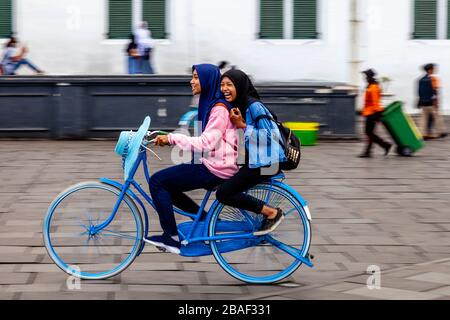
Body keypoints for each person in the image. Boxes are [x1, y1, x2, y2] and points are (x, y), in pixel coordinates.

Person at [146, 64, 238, 254]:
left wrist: (172, 138)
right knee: (169, 185)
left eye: (196, 77)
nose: (192, 81)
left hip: (217, 168)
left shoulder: (219, 109)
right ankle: (205, 221)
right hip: (213, 162)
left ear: (206, 80)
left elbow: (206, 143)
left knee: (157, 181)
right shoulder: (210, 102)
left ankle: (170, 237)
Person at [215, 69, 287, 236]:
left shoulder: (254, 106)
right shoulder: (240, 105)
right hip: (256, 162)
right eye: (222, 85)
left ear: (239, 86)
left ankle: (272, 213)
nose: (224, 88)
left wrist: (242, 125)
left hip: (267, 163)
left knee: (224, 193)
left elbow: (271, 136)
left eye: (229, 84)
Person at [358, 69, 392, 158]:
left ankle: (384, 145)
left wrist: (377, 114)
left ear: (370, 77)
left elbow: (375, 102)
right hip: (369, 112)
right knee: (370, 133)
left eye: (366, 76)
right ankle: (370, 151)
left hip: (372, 113)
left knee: (369, 133)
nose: (365, 78)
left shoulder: (373, 87)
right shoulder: (370, 86)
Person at [418, 63, 447, 139]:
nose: (434, 70)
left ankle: (423, 134)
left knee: (424, 118)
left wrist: (420, 101)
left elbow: (419, 91)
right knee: (437, 117)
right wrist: (436, 101)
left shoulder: (421, 79)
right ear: (430, 70)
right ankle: (441, 132)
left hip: (424, 102)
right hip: (431, 102)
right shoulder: (433, 78)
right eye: (433, 68)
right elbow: (434, 91)